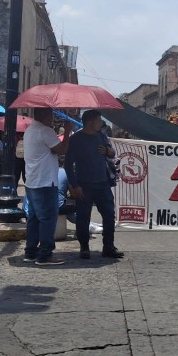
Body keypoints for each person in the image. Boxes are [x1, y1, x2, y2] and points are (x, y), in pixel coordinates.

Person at [65, 110, 122, 259]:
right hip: (84, 185)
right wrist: (74, 185)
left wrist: (107, 151)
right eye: (98, 120)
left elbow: (112, 153)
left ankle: (108, 247)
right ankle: (84, 247)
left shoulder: (101, 136)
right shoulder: (76, 139)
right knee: (83, 217)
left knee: (109, 215)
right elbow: (68, 164)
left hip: (103, 183)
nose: (101, 123)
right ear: (91, 122)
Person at [23, 108, 71, 265]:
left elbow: (49, 150)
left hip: (32, 180)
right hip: (45, 181)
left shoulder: (30, 130)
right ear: (46, 115)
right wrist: (67, 131)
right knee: (48, 218)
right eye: (51, 114)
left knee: (34, 218)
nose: (52, 118)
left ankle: (30, 252)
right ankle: (45, 254)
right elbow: (62, 150)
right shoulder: (45, 130)